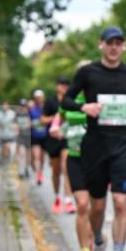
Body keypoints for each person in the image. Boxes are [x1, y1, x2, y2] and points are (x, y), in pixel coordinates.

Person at [61, 26, 126, 251]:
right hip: (95, 147)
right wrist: (83, 106)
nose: (114, 47)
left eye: (118, 43)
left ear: (124, 46)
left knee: (121, 202)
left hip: (123, 145)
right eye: (110, 42)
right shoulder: (88, 73)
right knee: (97, 207)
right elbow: (66, 100)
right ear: (101, 45)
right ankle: (98, 240)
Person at [60, 65, 93, 251]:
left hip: (96, 160)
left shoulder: (98, 98)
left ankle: (97, 238)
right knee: (82, 205)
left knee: (95, 209)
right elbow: (60, 117)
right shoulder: (69, 100)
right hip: (74, 158)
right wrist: (56, 127)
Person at [44, 79, 73, 213]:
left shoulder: (71, 99)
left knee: (66, 168)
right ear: (57, 86)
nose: (64, 88)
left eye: (66, 85)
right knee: (56, 171)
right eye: (61, 85)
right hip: (53, 139)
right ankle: (57, 197)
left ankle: (68, 200)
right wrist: (54, 119)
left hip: (67, 138)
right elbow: (42, 119)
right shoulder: (50, 101)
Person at [28, 90, 48, 184]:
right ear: (35, 99)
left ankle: (40, 172)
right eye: (37, 98)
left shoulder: (46, 109)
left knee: (42, 158)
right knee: (36, 156)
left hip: (44, 136)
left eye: (41, 98)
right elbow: (28, 122)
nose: (39, 99)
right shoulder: (31, 110)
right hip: (34, 136)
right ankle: (38, 175)